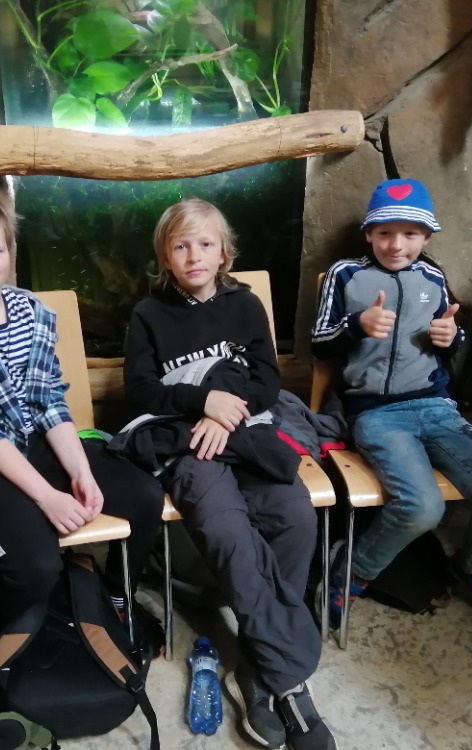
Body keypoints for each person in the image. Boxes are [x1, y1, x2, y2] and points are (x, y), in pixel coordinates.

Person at [123, 198, 336, 750]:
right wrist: (203, 403)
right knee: (227, 532)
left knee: (295, 518)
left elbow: (267, 380)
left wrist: (226, 412)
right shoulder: (148, 314)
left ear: (224, 253)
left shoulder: (245, 305)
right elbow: (141, 390)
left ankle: (255, 666)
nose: (194, 255)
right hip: (189, 443)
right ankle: (285, 681)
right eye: (181, 246)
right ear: (165, 257)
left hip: (244, 432)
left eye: (205, 244)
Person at [0, 190, 163, 646]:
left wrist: (80, 472)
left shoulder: (32, 310)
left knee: (145, 496)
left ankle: (116, 594)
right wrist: (48, 497)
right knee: (37, 565)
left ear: (10, 251)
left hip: (32, 436)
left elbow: (48, 399)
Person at [311, 178, 472, 628]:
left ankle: (470, 567)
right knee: (423, 508)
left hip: (437, 408)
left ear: (426, 237)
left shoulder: (432, 277)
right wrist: (357, 325)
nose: (396, 244)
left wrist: (452, 338)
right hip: (375, 413)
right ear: (369, 234)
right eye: (385, 232)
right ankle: (352, 571)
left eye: (410, 233)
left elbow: (450, 340)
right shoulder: (344, 274)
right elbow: (320, 344)